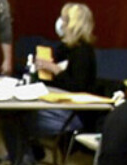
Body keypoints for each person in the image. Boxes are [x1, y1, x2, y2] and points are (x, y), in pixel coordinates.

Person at [32, 4, 97, 139]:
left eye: (64, 19)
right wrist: (42, 70)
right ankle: (28, 155)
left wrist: (55, 69)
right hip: (55, 103)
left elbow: (78, 87)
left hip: (74, 113)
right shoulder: (63, 48)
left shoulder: (83, 52)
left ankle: (27, 156)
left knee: (21, 116)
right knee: (14, 114)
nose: (60, 23)